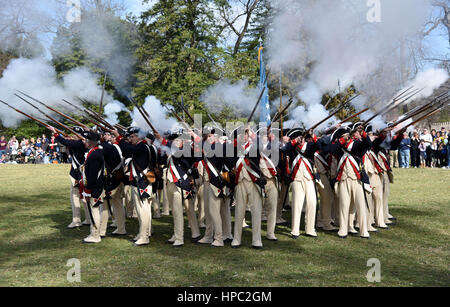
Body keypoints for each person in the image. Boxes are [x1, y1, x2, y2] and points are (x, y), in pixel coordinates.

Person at [113, 127, 155, 246]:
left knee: (142, 211)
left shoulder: (141, 146)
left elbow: (128, 148)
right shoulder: (142, 145)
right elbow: (126, 151)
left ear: (139, 136)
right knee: (142, 210)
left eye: (132, 137)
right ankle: (143, 233)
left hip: (141, 182)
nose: (130, 139)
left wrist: (118, 136)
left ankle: (144, 236)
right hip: (141, 181)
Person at [49, 126, 90, 228]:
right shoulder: (84, 143)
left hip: (76, 173)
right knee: (85, 196)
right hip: (84, 172)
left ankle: (76, 220)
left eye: (74, 134)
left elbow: (65, 142)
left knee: (75, 196)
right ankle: (88, 218)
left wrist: (55, 133)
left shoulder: (78, 143)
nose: (72, 136)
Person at [281, 128, 319, 239]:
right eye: (298, 138)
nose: (301, 140)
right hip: (297, 178)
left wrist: (313, 135)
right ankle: (295, 230)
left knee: (312, 203)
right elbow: (283, 150)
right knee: (297, 205)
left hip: (309, 178)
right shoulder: (292, 148)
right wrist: (294, 142)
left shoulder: (310, 146)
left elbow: (320, 147)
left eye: (302, 138)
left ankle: (310, 229)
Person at [80, 131, 105, 244]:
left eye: (86, 140)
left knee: (94, 211)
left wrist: (88, 189)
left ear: (90, 142)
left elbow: (92, 175)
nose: (84, 142)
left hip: (95, 187)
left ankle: (95, 235)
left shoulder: (95, 154)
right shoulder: (95, 152)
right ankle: (95, 233)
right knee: (94, 210)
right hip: (96, 186)